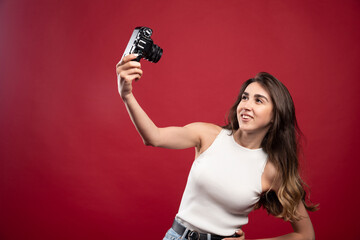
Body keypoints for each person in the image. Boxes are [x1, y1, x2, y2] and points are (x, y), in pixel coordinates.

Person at [116, 54, 318, 240]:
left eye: (259, 101)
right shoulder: (207, 135)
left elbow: (305, 235)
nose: (246, 105)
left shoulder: (271, 170)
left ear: (275, 116)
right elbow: (154, 137)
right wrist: (127, 95)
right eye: (245, 97)